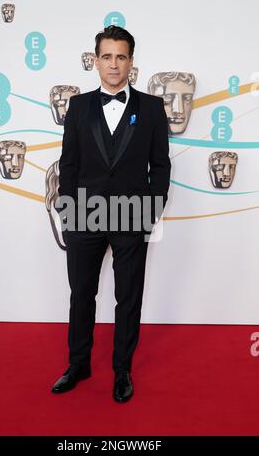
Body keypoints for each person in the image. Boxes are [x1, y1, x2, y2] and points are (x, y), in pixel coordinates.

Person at [51, 25, 171, 402]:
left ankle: (122, 370)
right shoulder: (79, 106)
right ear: (96, 61)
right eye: (107, 57)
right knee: (81, 293)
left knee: (128, 296)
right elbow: (68, 163)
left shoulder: (152, 109)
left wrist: (150, 210)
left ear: (131, 63)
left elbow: (161, 166)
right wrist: (68, 211)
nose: (114, 64)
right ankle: (78, 364)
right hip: (84, 215)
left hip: (132, 214)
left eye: (121, 57)